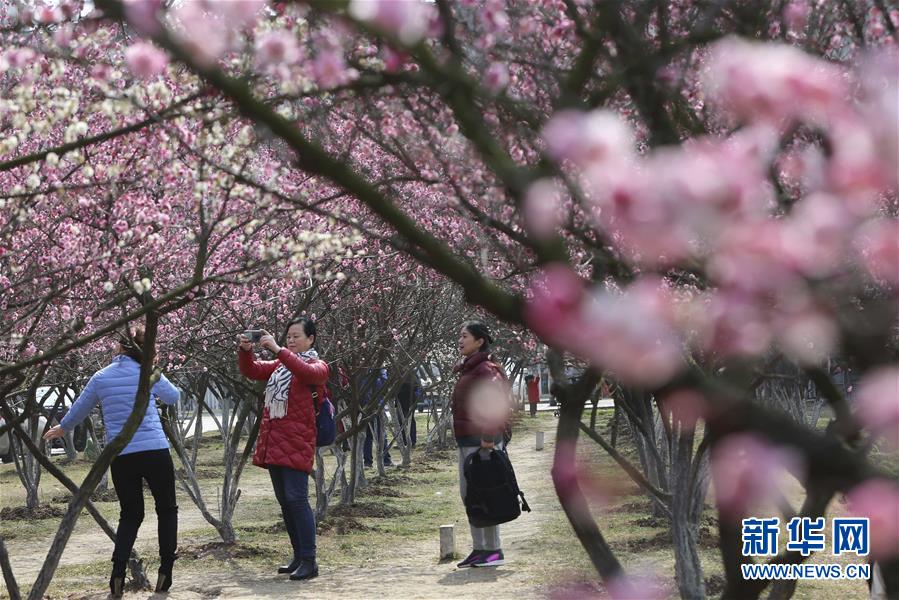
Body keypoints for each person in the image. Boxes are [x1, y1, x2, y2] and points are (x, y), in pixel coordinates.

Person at [43, 328, 181, 597]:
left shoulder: (101, 377)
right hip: (155, 450)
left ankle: (117, 574)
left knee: (130, 514)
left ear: (119, 347)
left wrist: (63, 428)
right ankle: (166, 573)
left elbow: (80, 407)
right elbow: (174, 397)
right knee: (167, 510)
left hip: (122, 453)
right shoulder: (147, 373)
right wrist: (154, 368)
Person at [238, 317, 329, 581]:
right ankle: (298, 555)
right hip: (274, 442)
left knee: (297, 499)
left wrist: (279, 350)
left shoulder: (317, 365)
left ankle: (310, 560)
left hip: (297, 442)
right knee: (285, 502)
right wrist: (246, 351)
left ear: (311, 339)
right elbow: (253, 370)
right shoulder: (281, 367)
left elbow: (308, 374)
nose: (290, 341)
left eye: (296, 336)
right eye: (288, 336)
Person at [452, 320, 511, 568]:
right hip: (468, 441)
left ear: (480, 341)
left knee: (485, 494)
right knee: (472, 495)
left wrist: (488, 437)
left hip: (481, 442)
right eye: (460, 335)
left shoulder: (486, 370)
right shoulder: (470, 369)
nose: (460, 340)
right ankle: (480, 549)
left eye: (465, 335)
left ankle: (493, 550)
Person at [361, 367, 393, 467]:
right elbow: (385, 386)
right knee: (381, 435)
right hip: (375, 407)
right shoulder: (378, 374)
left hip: (364, 408)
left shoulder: (361, 373)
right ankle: (385, 460)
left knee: (367, 437)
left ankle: (367, 461)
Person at [397, 373, 421, 447]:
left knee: (409, 422)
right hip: (402, 401)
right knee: (402, 422)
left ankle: (411, 441)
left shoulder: (411, 374)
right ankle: (405, 441)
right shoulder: (398, 374)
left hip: (409, 402)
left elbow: (416, 386)